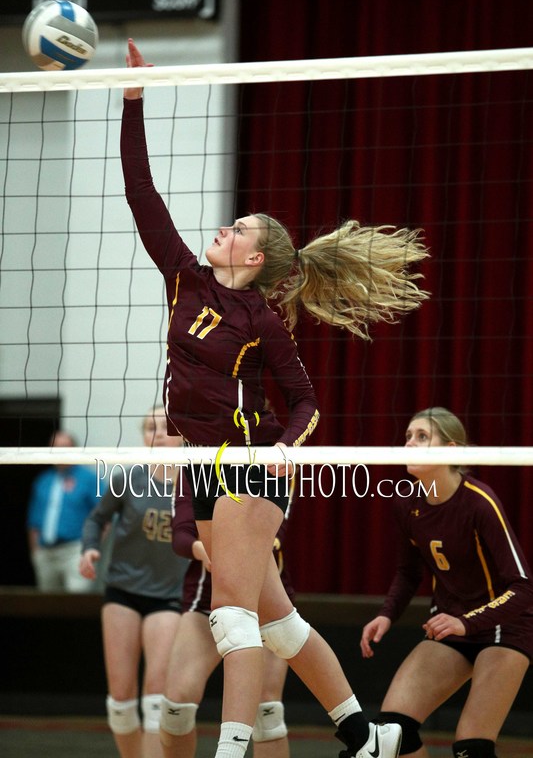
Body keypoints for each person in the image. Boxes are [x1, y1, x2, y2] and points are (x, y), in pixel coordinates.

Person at [121, 37, 430, 758]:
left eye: (238, 231)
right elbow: (141, 195)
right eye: (229, 226)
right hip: (203, 461)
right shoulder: (184, 277)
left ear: (254, 259)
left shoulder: (261, 320)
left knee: (233, 619)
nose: (222, 229)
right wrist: (133, 103)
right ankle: (364, 734)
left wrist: (284, 450)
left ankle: (231, 751)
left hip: (247, 463)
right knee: (278, 623)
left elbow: (307, 402)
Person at [360, 407, 533, 758]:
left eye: (422, 437)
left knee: (470, 747)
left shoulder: (479, 503)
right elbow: (410, 572)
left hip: (504, 627)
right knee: (390, 733)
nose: (410, 444)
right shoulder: (406, 503)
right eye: (408, 436)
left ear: (451, 449)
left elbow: (524, 587)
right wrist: (387, 614)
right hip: (452, 625)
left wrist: (465, 622)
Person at [159, 473, 295, 758]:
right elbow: (181, 534)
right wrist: (203, 549)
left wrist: (229, 549)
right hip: (207, 601)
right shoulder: (194, 466)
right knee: (175, 709)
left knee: (267, 713)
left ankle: (356, 725)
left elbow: (274, 534)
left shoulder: (271, 461)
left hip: (264, 604)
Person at [79, 406, 189, 758]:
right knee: (121, 703)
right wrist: (90, 550)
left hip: (169, 597)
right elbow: (96, 520)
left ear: (182, 435)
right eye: (149, 427)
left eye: (163, 427)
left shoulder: (197, 485)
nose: (155, 433)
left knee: (156, 698)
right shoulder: (128, 477)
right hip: (123, 592)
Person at [27, 430, 99, 592]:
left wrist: (91, 548)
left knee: (76, 606)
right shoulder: (43, 480)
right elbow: (33, 522)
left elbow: (104, 517)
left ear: (74, 449)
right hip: (45, 553)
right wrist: (36, 553)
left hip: (75, 551)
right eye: (56, 447)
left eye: (65, 447)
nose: (60, 451)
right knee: (47, 607)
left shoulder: (89, 479)